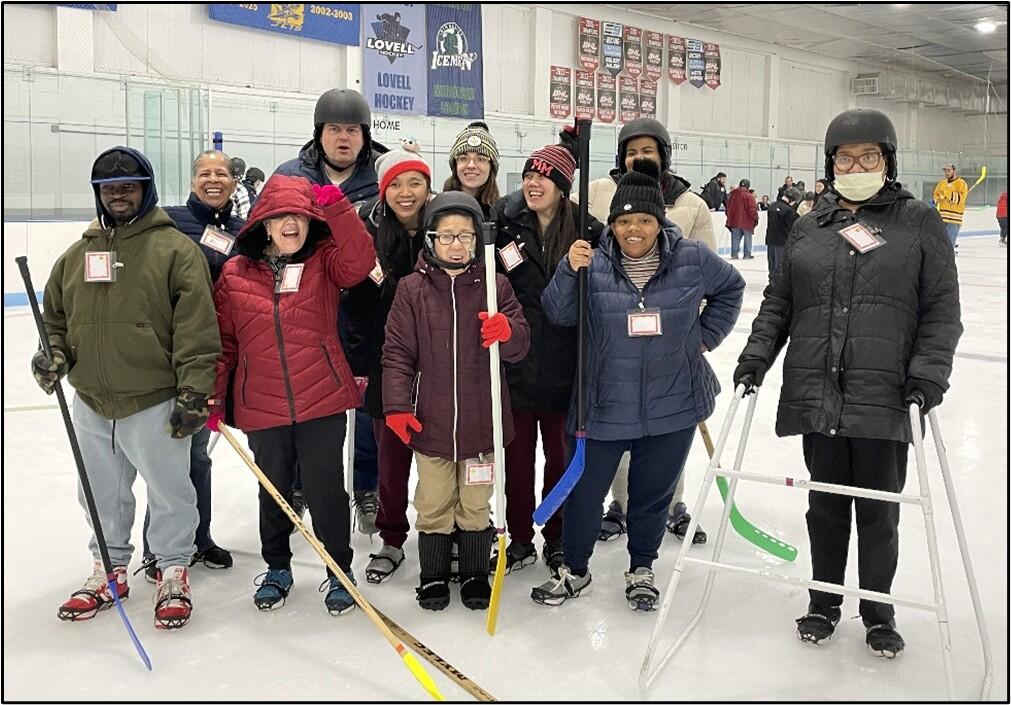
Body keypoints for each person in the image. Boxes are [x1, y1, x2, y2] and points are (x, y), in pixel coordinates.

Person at [734, 108, 962, 658]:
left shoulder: (918, 223)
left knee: (878, 512)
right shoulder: (814, 225)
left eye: (868, 156)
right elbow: (780, 303)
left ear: (887, 161)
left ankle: (877, 611)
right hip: (820, 391)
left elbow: (941, 312)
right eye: (844, 157)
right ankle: (824, 601)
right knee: (827, 507)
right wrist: (756, 356)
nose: (855, 165)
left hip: (886, 396)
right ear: (830, 163)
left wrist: (926, 378)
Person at [532, 168, 744, 609]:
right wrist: (570, 272)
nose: (634, 229)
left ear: (659, 221)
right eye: (624, 221)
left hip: (673, 403)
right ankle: (575, 567)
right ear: (611, 223)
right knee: (586, 494)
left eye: (644, 220)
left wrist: (704, 337)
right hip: (603, 403)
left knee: (652, 495)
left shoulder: (690, 257)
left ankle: (642, 567)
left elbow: (731, 288)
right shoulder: (592, 259)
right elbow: (557, 313)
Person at [36, 146, 220, 629]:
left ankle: (174, 570)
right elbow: (54, 319)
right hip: (92, 401)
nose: (118, 195)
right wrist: (52, 354)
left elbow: (198, 329)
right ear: (99, 194)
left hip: (154, 399)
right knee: (99, 491)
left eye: (128, 186)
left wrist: (195, 390)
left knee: (171, 492)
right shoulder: (77, 256)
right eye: (109, 188)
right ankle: (109, 569)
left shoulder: (175, 251)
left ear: (147, 189)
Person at [211, 175, 376, 615]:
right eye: (281, 216)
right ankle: (278, 568)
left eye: (300, 217)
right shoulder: (234, 273)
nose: (291, 224)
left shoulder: (324, 262)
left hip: (320, 395)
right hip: (261, 403)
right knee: (274, 489)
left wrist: (337, 207)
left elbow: (360, 262)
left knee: (325, 491)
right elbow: (225, 342)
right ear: (263, 224)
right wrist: (214, 396)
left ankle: (338, 570)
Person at [382, 191, 531, 611]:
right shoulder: (412, 290)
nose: (455, 245)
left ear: (476, 240)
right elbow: (396, 354)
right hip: (431, 423)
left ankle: (473, 573)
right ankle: (432, 576)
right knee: (433, 502)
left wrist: (508, 331)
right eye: (445, 236)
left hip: (483, 425)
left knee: (475, 502)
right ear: (429, 240)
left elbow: (521, 343)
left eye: (464, 236)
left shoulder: (494, 286)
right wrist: (396, 406)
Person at [581, 120, 717, 544]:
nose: (640, 158)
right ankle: (620, 503)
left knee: (666, 431)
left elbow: (708, 273)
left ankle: (671, 502)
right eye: (631, 151)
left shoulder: (690, 204)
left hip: (670, 340)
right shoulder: (600, 192)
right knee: (621, 428)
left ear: (663, 155)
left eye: (648, 150)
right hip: (615, 336)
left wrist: (698, 335)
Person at [490, 143, 604, 575]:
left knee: (560, 461)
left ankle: (556, 536)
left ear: (563, 186)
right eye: (528, 175)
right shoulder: (505, 224)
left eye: (545, 177)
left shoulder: (586, 230)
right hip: (516, 363)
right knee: (516, 463)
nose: (534, 183)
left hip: (565, 366)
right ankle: (519, 537)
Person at [275, 87, 383, 530]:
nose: (343, 138)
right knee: (307, 401)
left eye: (352, 130)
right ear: (319, 133)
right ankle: (301, 484)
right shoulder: (290, 175)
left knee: (366, 403)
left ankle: (366, 488)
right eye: (334, 129)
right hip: (308, 307)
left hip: (365, 307)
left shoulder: (382, 176)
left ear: (365, 135)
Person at [134, 149, 244, 583]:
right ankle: (157, 548)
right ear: (192, 179)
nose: (213, 179)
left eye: (221, 173)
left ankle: (199, 538)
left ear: (233, 182)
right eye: (204, 173)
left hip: (221, 357)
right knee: (173, 458)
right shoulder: (169, 220)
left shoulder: (242, 231)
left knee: (198, 457)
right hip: (179, 357)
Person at [343, 143, 433, 583]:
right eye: (395, 184)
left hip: (439, 364)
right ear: (383, 190)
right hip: (386, 365)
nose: (405, 192)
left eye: (414, 182)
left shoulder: (445, 229)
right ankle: (392, 537)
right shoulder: (370, 234)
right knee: (391, 459)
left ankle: (444, 533)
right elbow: (356, 306)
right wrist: (359, 361)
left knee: (441, 457)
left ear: (428, 187)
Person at [442, 121, 500, 218]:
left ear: (491, 167)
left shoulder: (504, 214)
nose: (471, 165)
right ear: (455, 165)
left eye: (481, 159)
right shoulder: (439, 208)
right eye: (463, 158)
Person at [765, 187, 802, 279]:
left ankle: (772, 282)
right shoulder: (789, 211)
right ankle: (778, 284)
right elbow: (791, 228)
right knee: (780, 265)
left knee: (772, 264)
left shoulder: (772, 206)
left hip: (771, 240)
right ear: (792, 199)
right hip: (782, 241)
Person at [933, 164, 968, 250]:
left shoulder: (961, 183)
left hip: (954, 219)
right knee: (940, 244)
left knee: (948, 246)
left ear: (954, 171)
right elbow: (935, 196)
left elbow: (960, 200)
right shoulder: (942, 183)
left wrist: (946, 193)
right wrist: (938, 199)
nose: (947, 173)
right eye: (945, 171)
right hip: (942, 218)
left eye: (949, 171)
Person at [725, 178, 758, 259]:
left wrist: (729, 218)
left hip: (734, 221)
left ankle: (734, 254)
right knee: (748, 239)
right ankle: (747, 254)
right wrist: (755, 219)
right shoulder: (749, 196)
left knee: (735, 238)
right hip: (747, 222)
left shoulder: (732, 195)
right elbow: (752, 209)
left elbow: (727, 209)